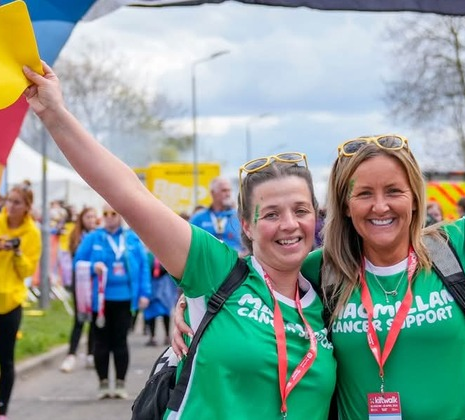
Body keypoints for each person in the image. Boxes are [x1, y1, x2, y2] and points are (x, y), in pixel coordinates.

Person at [172, 43, 465, 418]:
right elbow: (243, 280)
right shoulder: (325, 269)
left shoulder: (460, 250)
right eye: (364, 194)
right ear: (343, 204)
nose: (380, 206)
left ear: (416, 197)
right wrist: (185, 308)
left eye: (394, 191)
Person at [24, 62, 336, 417]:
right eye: (271, 214)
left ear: (317, 216)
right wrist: (53, 112)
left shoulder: (330, 288)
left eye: (301, 210)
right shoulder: (216, 270)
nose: (289, 225)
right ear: (246, 225)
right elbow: (129, 194)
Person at [72, 205, 151, 398]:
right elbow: (77, 263)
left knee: (120, 341)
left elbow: (143, 268)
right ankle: (104, 383)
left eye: (113, 214)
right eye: (105, 214)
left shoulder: (131, 238)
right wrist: (93, 266)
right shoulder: (93, 238)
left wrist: (144, 293)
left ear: (120, 216)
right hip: (100, 301)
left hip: (124, 299)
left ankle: (121, 383)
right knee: (101, 342)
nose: (109, 218)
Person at [0, 183, 42, 419]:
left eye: (16, 202)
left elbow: (27, 271)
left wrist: (17, 254)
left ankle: (2, 411)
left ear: (27, 206)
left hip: (11, 300)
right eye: (8, 200)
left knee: (6, 357)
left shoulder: (32, 233)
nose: (10, 206)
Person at [59, 206, 99, 373]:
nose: (90, 220)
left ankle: (91, 353)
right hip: (81, 283)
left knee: (95, 319)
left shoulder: (100, 236)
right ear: (82, 219)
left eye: (93, 217)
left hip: (95, 281)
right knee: (80, 319)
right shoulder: (77, 237)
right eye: (87, 217)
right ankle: (71, 354)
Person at [190, 177, 245, 254]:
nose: (228, 194)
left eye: (229, 190)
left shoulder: (239, 217)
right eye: (224, 190)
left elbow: (250, 244)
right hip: (208, 262)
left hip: (235, 262)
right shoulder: (198, 218)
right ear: (212, 193)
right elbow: (190, 244)